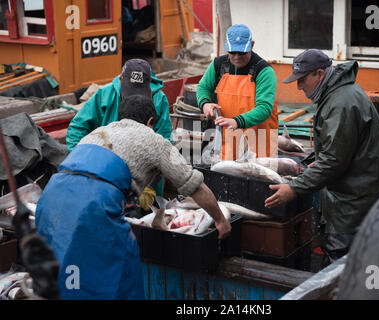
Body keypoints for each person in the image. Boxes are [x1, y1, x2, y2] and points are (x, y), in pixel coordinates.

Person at [35, 95, 232, 300]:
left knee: (65, 272)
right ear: (150, 122)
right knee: (121, 274)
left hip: (51, 198)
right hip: (94, 205)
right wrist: (220, 220)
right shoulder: (155, 140)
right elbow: (195, 186)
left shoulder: (98, 132)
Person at [264, 49, 379, 266]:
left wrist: (294, 188)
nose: (300, 87)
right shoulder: (338, 93)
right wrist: (319, 159)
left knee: (342, 263)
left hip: (359, 201)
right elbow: (340, 150)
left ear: (319, 74)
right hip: (364, 192)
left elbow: (334, 162)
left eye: (302, 80)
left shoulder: (341, 103)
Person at [66, 59, 171, 207]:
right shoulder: (104, 95)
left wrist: (151, 185)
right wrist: (82, 161)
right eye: (130, 91)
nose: (134, 97)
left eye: (140, 92)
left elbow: (165, 145)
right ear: (121, 79)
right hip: (104, 172)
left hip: (144, 177)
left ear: (148, 85)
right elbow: (77, 128)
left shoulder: (159, 100)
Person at [196, 24, 278, 160]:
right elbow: (203, 87)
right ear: (226, 46)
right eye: (232, 52)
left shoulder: (264, 71)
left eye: (242, 52)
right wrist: (205, 105)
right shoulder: (218, 65)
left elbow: (264, 108)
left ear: (252, 45)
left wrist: (236, 121)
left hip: (260, 143)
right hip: (229, 140)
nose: (236, 57)